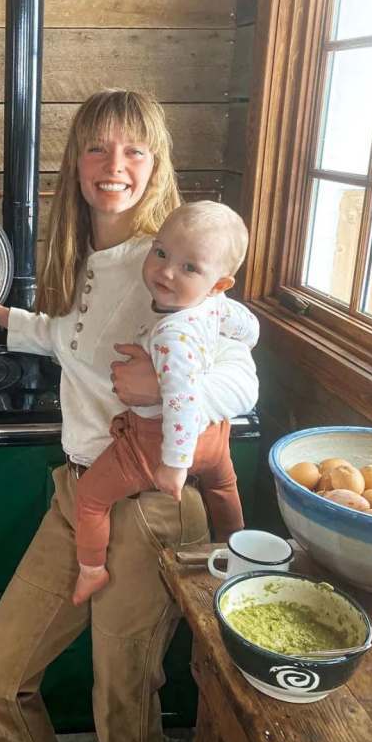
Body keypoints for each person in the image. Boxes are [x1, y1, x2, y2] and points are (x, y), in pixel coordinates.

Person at [0, 90, 258, 742]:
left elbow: (245, 377)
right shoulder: (93, 260)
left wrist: (169, 386)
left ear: (157, 164)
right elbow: (64, 334)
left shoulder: (173, 262)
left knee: (123, 699)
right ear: (76, 161)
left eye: (133, 150)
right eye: (97, 146)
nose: (113, 164)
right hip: (80, 492)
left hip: (150, 504)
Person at [72, 200, 259, 606]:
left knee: (89, 497)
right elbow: (248, 327)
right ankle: (238, 552)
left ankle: (91, 571)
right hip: (215, 439)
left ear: (219, 282)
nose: (166, 271)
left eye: (189, 267)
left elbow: (181, 399)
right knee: (223, 486)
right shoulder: (216, 304)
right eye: (160, 253)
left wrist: (174, 464)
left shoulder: (172, 335)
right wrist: (243, 340)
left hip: (157, 443)